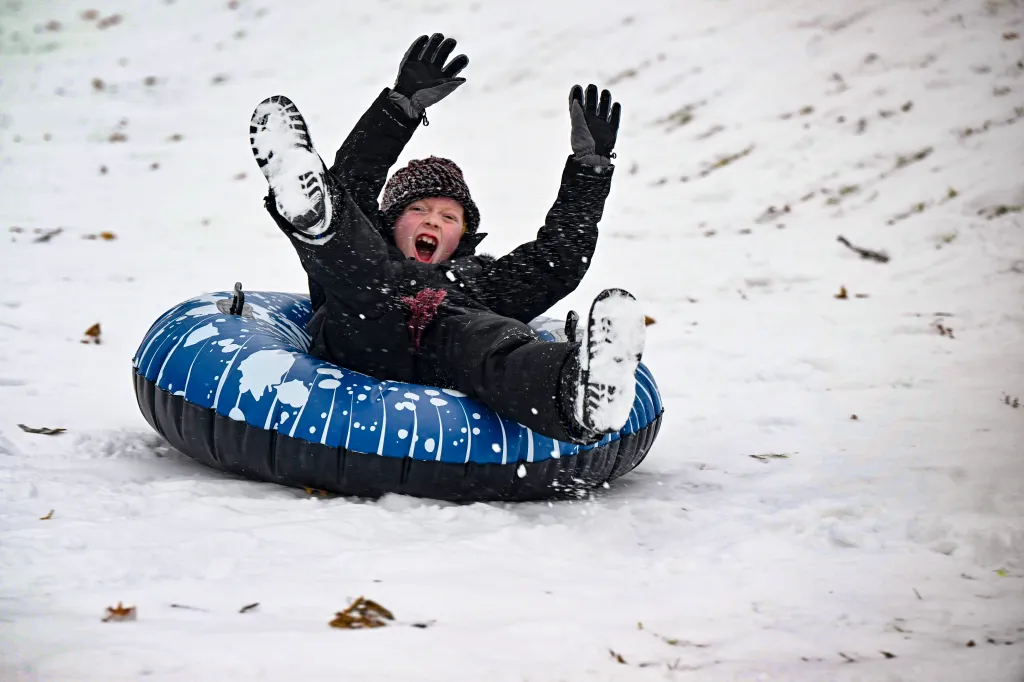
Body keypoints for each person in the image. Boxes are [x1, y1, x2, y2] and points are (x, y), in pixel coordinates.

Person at [249, 32, 645, 445]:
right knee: (363, 272)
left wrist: (590, 170)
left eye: (449, 216)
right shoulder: (373, 250)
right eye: (417, 210)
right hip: (363, 333)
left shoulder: (481, 281)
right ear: (391, 221)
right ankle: (316, 215)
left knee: (492, 340)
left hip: (450, 351)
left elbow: (558, 260)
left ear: (464, 235)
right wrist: (399, 106)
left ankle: (578, 386)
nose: (433, 222)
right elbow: (355, 178)